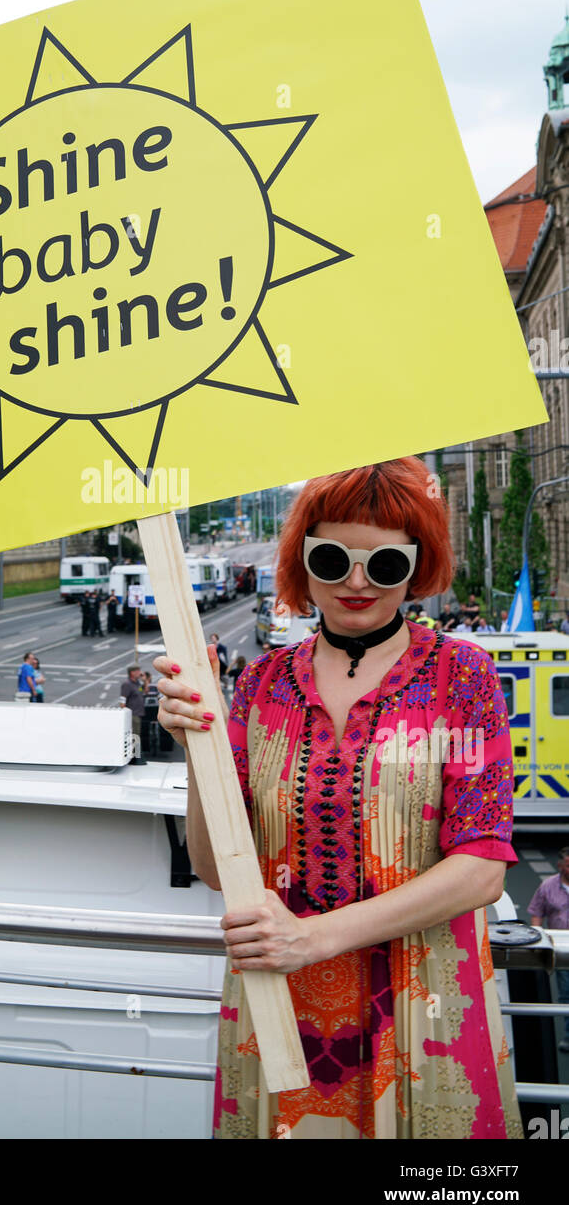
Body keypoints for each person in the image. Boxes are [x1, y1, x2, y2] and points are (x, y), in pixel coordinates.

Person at [156, 457, 520, 1140]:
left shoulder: (461, 676)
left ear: (416, 568)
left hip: (422, 1009)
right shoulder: (261, 683)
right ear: (302, 560)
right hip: (279, 1011)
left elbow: (482, 866)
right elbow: (216, 868)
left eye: (383, 564)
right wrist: (194, 746)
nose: (355, 581)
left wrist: (311, 938)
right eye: (332, 558)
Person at [528, 847, 569, 1053]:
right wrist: (538, 940)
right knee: (566, 994)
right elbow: (537, 914)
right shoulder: (548, 887)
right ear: (560, 865)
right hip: (562, 949)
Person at [119, 665, 145, 757]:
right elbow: (122, 699)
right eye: (138, 671)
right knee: (135, 735)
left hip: (138, 713)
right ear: (132, 673)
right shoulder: (127, 684)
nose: (140, 673)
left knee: (136, 734)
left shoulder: (138, 683)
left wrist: (145, 681)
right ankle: (134, 755)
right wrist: (124, 713)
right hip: (132, 714)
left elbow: (145, 691)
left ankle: (135, 754)